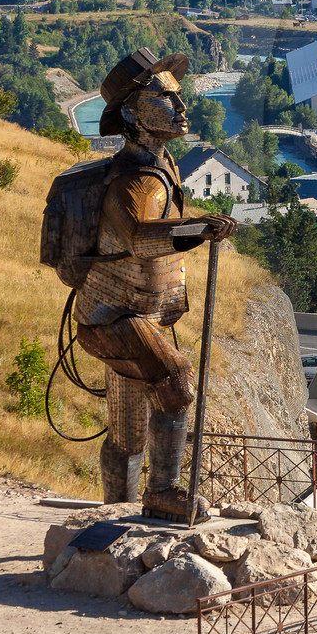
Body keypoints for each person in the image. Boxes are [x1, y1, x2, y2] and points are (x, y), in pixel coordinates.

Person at [75, 49, 237, 519]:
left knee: (127, 431)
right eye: (165, 98)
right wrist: (197, 228)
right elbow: (143, 239)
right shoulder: (134, 181)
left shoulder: (159, 168)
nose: (181, 107)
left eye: (177, 97)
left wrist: (193, 226)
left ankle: (114, 513)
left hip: (132, 313)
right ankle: (163, 491)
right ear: (131, 112)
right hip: (116, 317)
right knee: (177, 380)